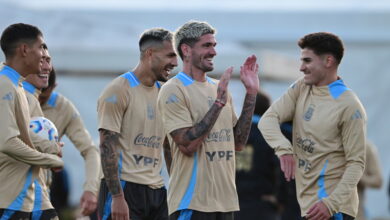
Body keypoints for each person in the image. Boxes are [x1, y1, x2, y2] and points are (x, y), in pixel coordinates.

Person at [259, 32, 367, 220]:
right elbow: (268, 120)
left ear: (328, 61)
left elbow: (356, 163)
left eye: (307, 61)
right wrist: (284, 150)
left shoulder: (349, 105)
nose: (301, 68)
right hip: (306, 206)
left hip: (332, 209)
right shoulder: (301, 87)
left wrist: (331, 204)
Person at [158, 20, 259, 220]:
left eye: (214, 45)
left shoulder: (218, 88)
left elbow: (237, 143)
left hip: (225, 202)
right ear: (186, 50)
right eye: (207, 46)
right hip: (193, 203)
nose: (214, 52)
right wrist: (218, 104)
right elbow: (187, 145)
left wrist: (251, 94)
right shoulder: (173, 89)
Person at [97, 28, 177, 220]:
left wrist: (177, 186)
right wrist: (116, 197)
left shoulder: (164, 93)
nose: (175, 63)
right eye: (170, 56)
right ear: (150, 54)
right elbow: (107, 146)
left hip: (157, 191)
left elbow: (167, 145)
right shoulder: (118, 90)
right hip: (125, 189)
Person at [0, 23, 63, 219]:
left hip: (21, 198)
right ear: (25, 50)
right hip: (7, 199)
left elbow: (22, 135)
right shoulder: (4, 85)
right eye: (41, 47)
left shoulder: (17, 86)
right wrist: (50, 159)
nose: (44, 54)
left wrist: (49, 146)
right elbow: (8, 142)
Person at [39, 66, 101, 218]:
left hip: (44, 188)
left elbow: (90, 150)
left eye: (43, 97)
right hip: (10, 184)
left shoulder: (63, 108)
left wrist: (91, 189)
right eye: (33, 93)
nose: (36, 100)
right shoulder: (12, 98)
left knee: (62, 175)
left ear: (54, 87)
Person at [235, 91, 300, 220]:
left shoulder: (234, 134)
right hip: (262, 204)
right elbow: (284, 169)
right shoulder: (271, 135)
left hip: (233, 204)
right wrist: (280, 200)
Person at [356, 141, 382, 220]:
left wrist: (356, 176)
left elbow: (378, 181)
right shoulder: (329, 145)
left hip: (357, 214)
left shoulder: (367, 148)